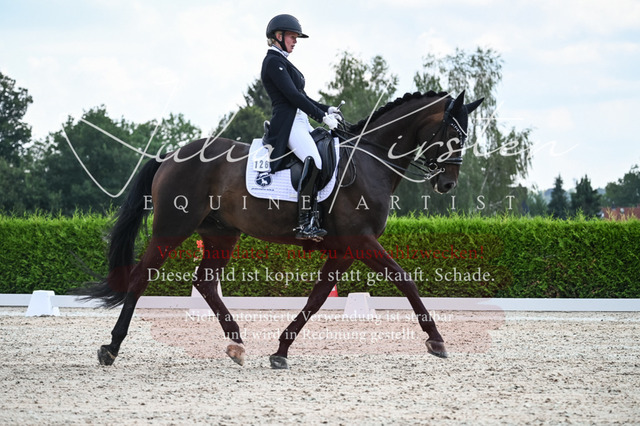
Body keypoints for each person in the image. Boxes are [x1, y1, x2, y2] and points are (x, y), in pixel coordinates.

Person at [261, 14, 340, 241]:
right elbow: (293, 97)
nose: (295, 41)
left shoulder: (284, 62)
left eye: (296, 37)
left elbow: (303, 97)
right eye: (292, 37)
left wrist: (327, 109)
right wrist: (321, 117)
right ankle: (305, 223)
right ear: (278, 36)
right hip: (289, 124)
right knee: (313, 160)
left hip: (301, 121)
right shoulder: (272, 62)